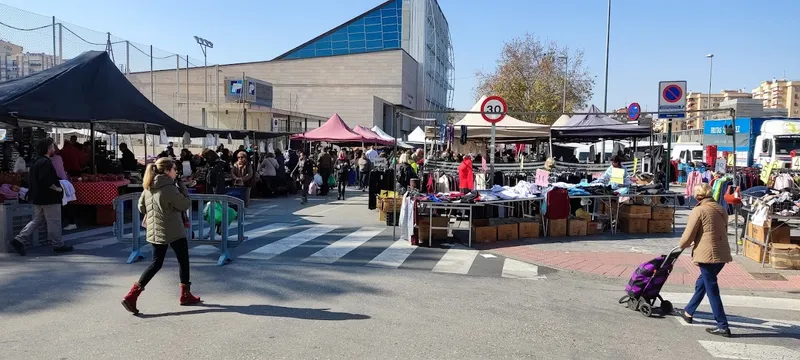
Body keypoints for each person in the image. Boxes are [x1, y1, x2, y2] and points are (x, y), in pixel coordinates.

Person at [120, 157, 200, 314]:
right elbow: (185, 204)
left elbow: (142, 207)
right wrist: (183, 187)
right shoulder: (170, 187)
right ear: (167, 171)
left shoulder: (148, 185)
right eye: (174, 169)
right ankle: (185, 294)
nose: (176, 172)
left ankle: (132, 295)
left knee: (156, 263)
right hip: (174, 230)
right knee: (183, 261)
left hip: (155, 230)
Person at [678, 183, 733, 337]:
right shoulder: (721, 209)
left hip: (707, 254)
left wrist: (682, 245)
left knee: (712, 289)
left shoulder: (699, 210)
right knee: (702, 283)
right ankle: (688, 311)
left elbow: (688, 235)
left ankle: (723, 325)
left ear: (698, 195)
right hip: (722, 254)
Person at [7, 138, 73, 255]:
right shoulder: (46, 162)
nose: (54, 149)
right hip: (49, 198)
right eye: (52, 146)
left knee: (37, 220)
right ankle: (58, 244)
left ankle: (19, 239)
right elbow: (46, 180)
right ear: (48, 149)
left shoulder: (36, 162)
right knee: (54, 221)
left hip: (38, 197)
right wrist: (57, 188)